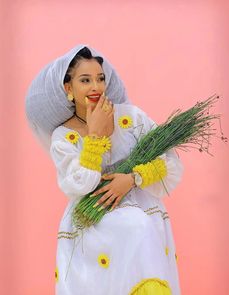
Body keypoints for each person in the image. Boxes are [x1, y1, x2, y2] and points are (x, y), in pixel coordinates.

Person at [25, 44, 184, 295]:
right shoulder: (64, 137)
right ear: (69, 88)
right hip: (94, 220)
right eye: (85, 80)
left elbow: (171, 164)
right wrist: (95, 135)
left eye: (100, 79)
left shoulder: (131, 119)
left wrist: (133, 179)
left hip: (142, 211)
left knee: (139, 230)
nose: (95, 87)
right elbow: (78, 184)